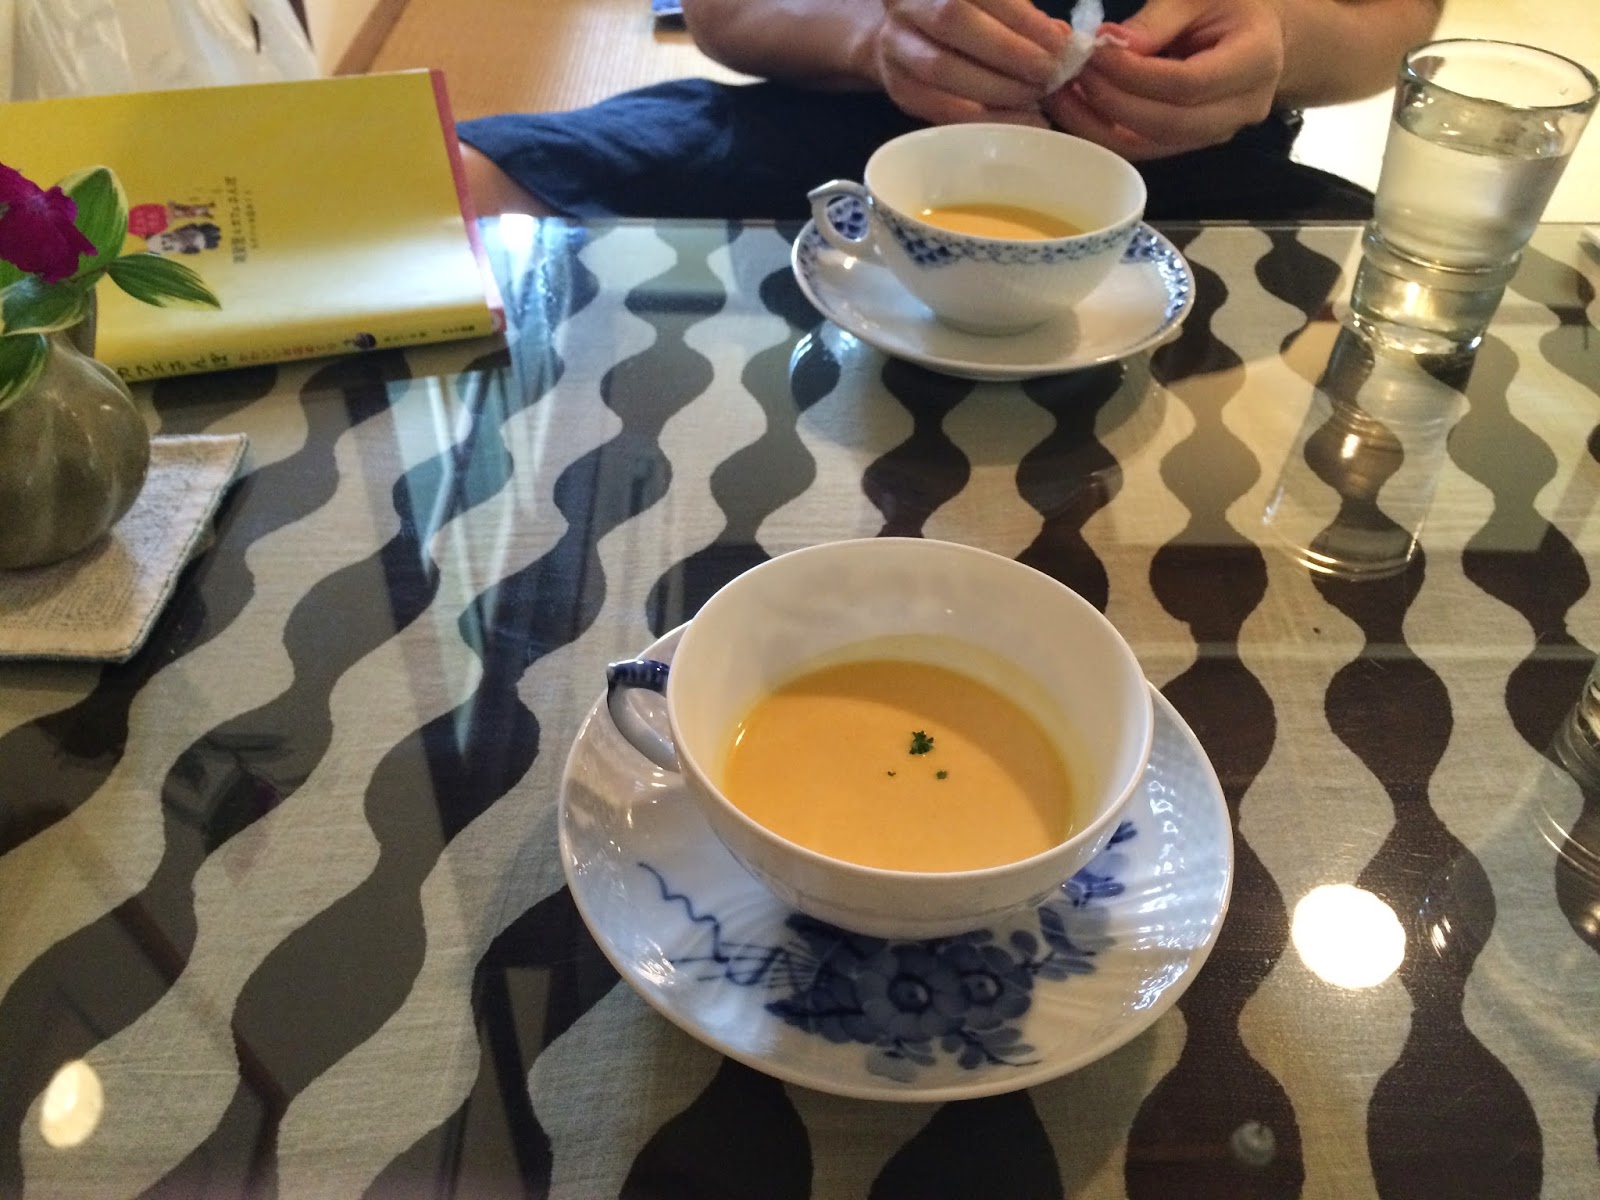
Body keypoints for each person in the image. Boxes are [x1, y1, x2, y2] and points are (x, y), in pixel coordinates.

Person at [458, 0, 1443, 223]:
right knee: (456, 186)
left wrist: (1283, 39)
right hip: (820, 133)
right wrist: (873, 33)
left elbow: (1393, 16)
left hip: (1190, 163)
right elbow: (722, 10)